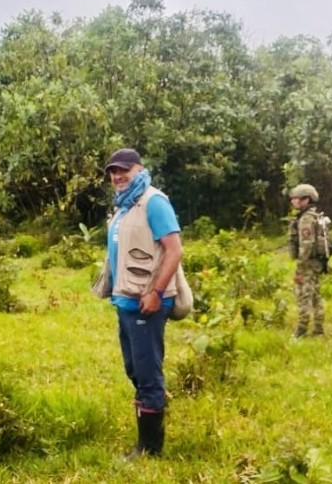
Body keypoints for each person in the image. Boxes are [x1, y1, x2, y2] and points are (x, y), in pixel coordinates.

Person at [94, 148, 184, 460]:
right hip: (126, 301)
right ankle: (147, 433)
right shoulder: (124, 205)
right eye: (113, 172)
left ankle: (149, 449)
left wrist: (156, 293)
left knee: (147, 373)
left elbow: (174, 250)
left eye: (124, 170)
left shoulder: (153, 201)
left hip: (147, 302)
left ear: (139, 169)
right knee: (135, 369)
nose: (117, 176)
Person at [288, 184, 327, 338]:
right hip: (316, 263)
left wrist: (300, 267)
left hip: (308, 263)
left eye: (296, 199)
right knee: (316, 296)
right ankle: (318, 329)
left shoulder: (306, 219)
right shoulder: (315, 216)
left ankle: (301, 329)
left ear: (305, 200)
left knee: (303, 296)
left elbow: (306, 244)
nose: (293, 202)